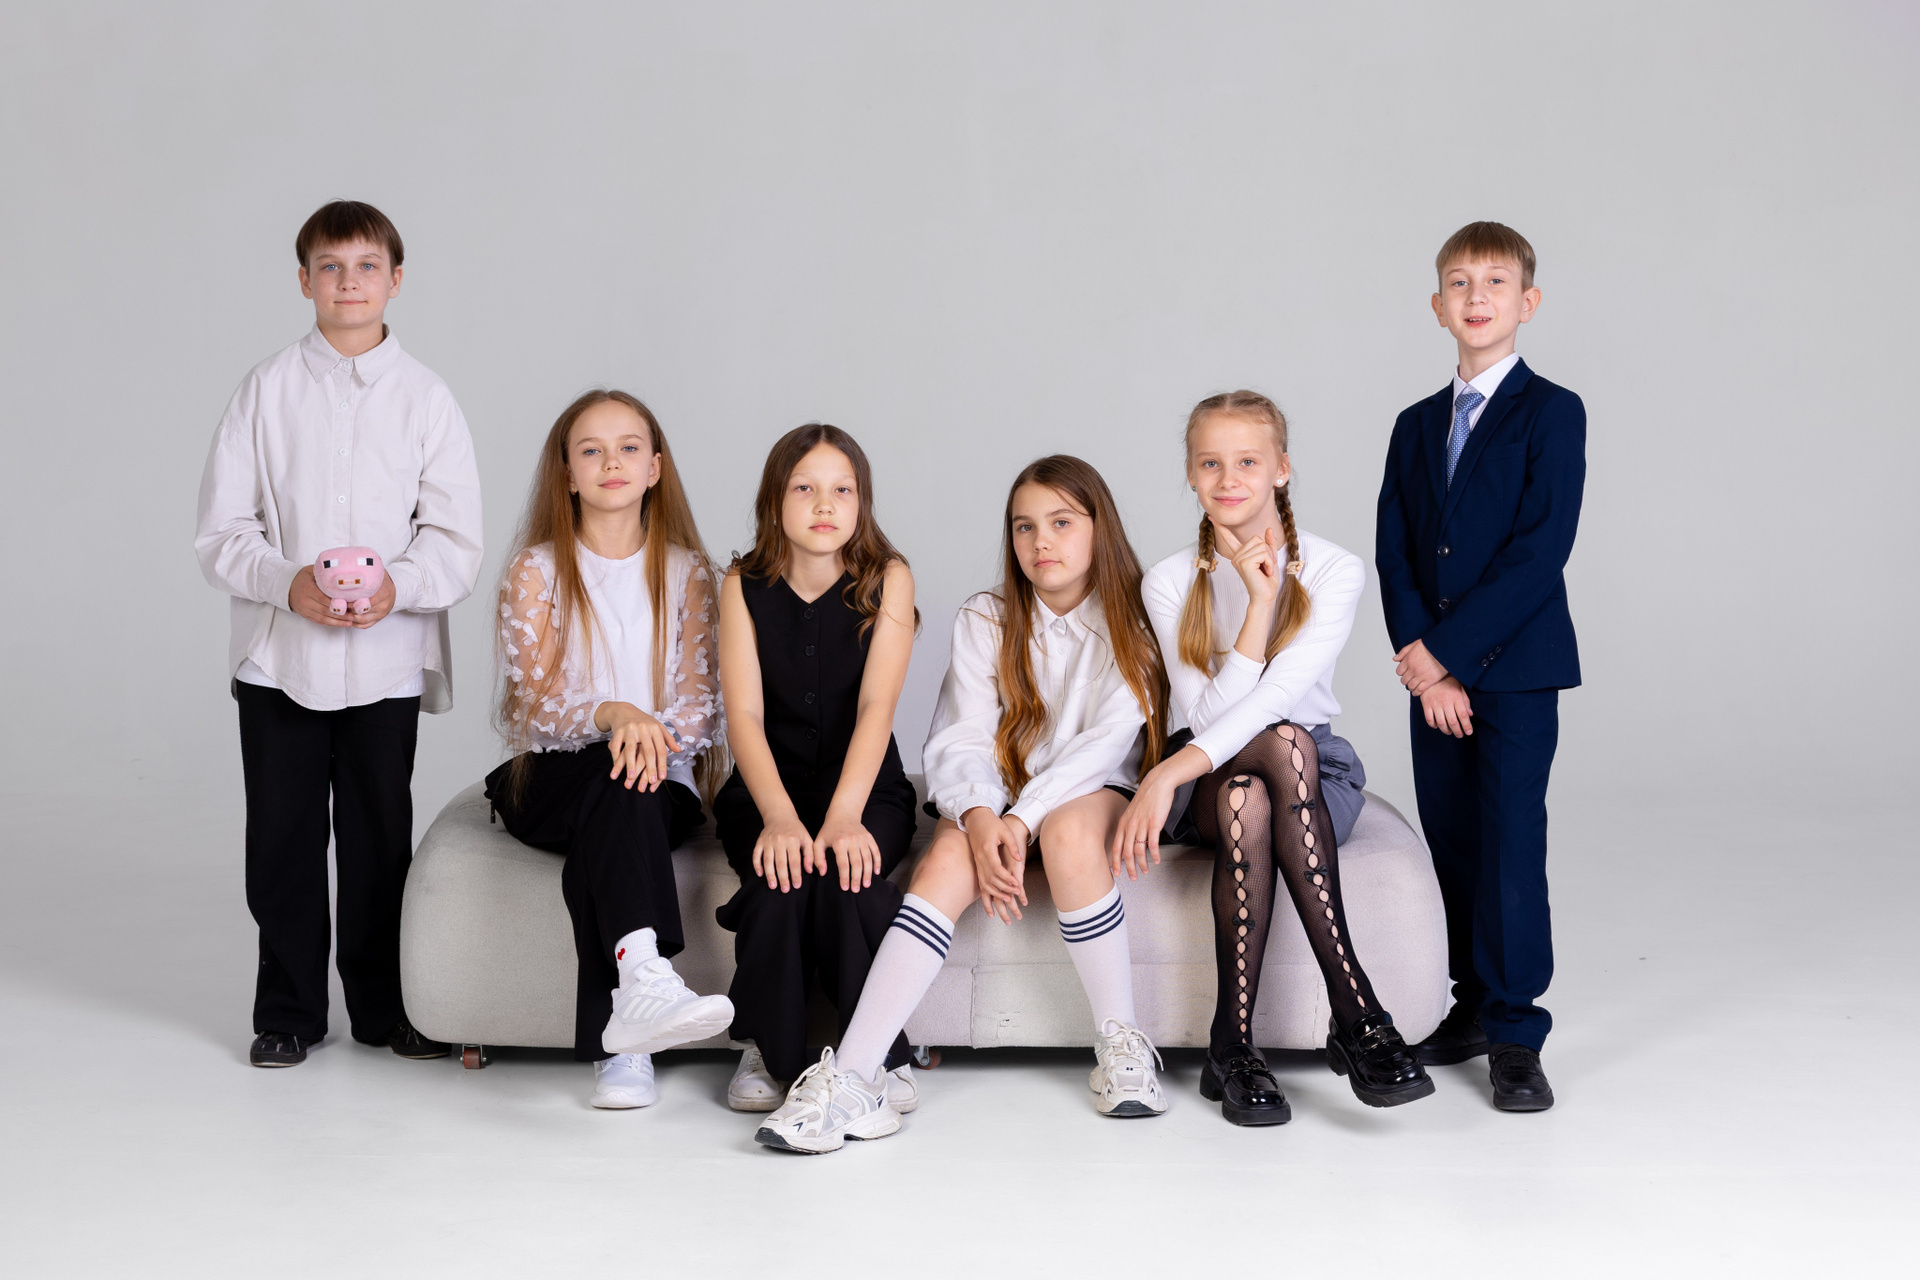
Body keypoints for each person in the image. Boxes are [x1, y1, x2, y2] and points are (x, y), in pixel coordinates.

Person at [754, 454, 1171, 1154]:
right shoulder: (987, 616)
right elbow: (961, 736)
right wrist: (980, 819)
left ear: (1100, 529)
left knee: (1068, 834)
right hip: (998, 797)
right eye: (1024, 527)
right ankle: (854, 1076)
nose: (1041, 542)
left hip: (1088, 790)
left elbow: (1102, 747)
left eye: (1062, 523)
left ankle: (1122, 1044)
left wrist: (1020, 820)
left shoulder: (1136, 620)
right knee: (945, 861)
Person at [196, 200, 482, 1069]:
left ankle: (387, 1007)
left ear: (395, 280)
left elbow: (455, 539)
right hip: (279, 657)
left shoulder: (427, 398)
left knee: (377, 838)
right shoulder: (265, 390)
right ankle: (288, 1010)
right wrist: (288, 585)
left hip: (386, 661)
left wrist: (399, 587)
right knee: (281, 839)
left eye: (366, 267)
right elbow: (221, 530)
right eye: (330, 267)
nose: (348, 282)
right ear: (303, 281)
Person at [1114, 390, 1435, 1126]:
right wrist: (1257, 607)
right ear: (1190, 475)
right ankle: (1358, 1016)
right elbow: (1207, 721)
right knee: (1245, 779)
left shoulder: (1333, 569)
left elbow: (1281, 698)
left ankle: (1232, 1045)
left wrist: (1167, 770)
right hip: (1209, 768)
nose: (1228, 479)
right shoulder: (1168, 580)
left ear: (1282, 469)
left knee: (1272, 765)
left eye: (1248, 462)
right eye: (1210, 463)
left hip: (1310, 768)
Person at [1375, 221, 1585, 1112]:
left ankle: (1515, 1031)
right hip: (1435, 678)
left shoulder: (1552, 412)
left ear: (1526, 302)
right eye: (1459, 283)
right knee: (1454, 837)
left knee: (1509, 846)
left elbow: (1539, 553)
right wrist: (1427, 670)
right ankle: (1468, 1004)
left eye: (1495, 282)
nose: (1477, 297)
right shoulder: (1415, 425)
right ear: (1437, 306)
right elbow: (1395, 551)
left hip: (1516, 671)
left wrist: (1449, 655)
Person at [484, 389, 731, 1110]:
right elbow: (533, 702)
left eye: (628, 448)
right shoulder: (535, 569)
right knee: (612, 777)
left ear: (655, 468)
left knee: (624, 790)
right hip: (549, 779)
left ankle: (629, 1018)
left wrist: (647, 738)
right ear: (567, 473)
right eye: (590, 450)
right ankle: (642, 992)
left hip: (658, 783)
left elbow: (702, 707)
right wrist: (616, 715)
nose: (610, 462)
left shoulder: (689, 572)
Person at [713, 424, 922, 1117]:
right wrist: (778, 816)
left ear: (862, 502)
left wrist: (844, 816)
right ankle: (765, 1046)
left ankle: (878, 1051)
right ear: (775, 501)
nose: (824, 504)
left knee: (847, 877)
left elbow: (876, 708)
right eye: (804, 488)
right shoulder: (741, 584)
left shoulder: (889, 579)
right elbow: (743, 715)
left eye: (842, 490)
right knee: (780, 879)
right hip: (766, 790)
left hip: (866, 792)